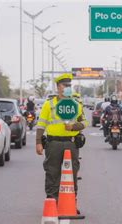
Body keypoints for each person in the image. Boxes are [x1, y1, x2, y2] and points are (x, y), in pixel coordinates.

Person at [36, 73, 87, 201]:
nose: (67, 87)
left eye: (69, 85)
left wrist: (74, 127)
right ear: (58, 87)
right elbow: (41, 124)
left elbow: (85, 122)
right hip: (53, 144)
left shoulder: (76, 104)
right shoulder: (49, 104)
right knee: (52, 172)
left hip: (71, 143)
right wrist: (38, 142)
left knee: (72, 172)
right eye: (65, 85)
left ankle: (71, 202)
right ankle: (52, 201)